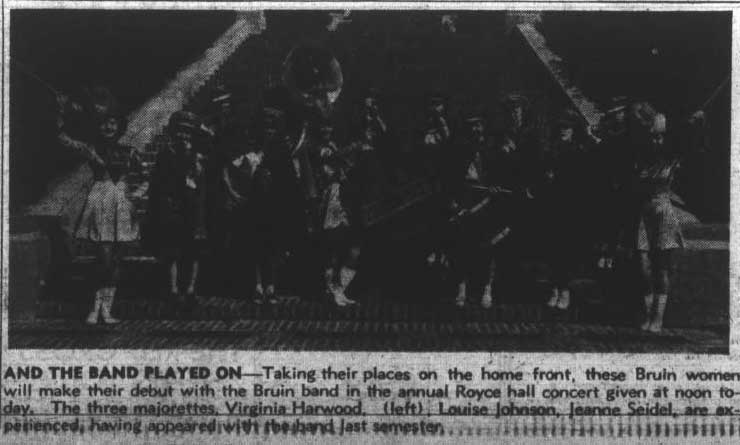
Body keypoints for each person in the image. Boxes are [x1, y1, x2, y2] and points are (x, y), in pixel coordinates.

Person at [629, 102, 705, 333]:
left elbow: (687, 138)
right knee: (642, 265)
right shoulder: (642, 154)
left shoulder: (671, 155)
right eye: (653, 137)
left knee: (661, 268)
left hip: (663, 211)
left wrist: (695, 121)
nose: (657, 141)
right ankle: (648, 313)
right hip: (643, 211)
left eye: (660, 137)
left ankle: (658, 319)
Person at [69, 88, 141, 324]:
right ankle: (94, 307)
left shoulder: (129, 151)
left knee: (116, 259)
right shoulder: (92, 148)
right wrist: (65, 111)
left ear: (119, 126)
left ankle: (107, 310)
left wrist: (135, 196)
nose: (109, 127)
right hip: (101, 199)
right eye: (104, 124)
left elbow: (143, 177)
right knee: (104, 257)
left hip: (121, 201)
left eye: (113, 123)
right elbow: (66, 140)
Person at [148, 111, 210, 311]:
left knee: (193, 251)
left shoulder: (198, 156)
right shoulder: (166, 153)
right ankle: (173, 289)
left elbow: (201, 183)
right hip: (172, 206)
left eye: (187, 132)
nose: (183, 136)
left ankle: (191, 289)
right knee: (172, 250)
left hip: (192, 207)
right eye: (180, 132)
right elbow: (157, 182)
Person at [447, 113, 507, 309]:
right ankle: (461, 289)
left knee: (489, 249)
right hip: (466, 204)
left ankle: (487, 291)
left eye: (479, 126)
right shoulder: (458, 151)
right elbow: (451, 180)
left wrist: (495, 187)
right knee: (462, 248)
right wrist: (454, 201)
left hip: (488, 205)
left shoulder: (493, 151)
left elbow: (501, 176)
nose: (476, 130)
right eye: (472, 127)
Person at [315, 149, 360, 307]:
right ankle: (332, 292)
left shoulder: (346, 173)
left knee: (353, 252)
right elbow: (324, 179)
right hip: (332, 211)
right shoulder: (328, 170)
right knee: (333, 255)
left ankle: (339, 290)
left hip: (345, 213)